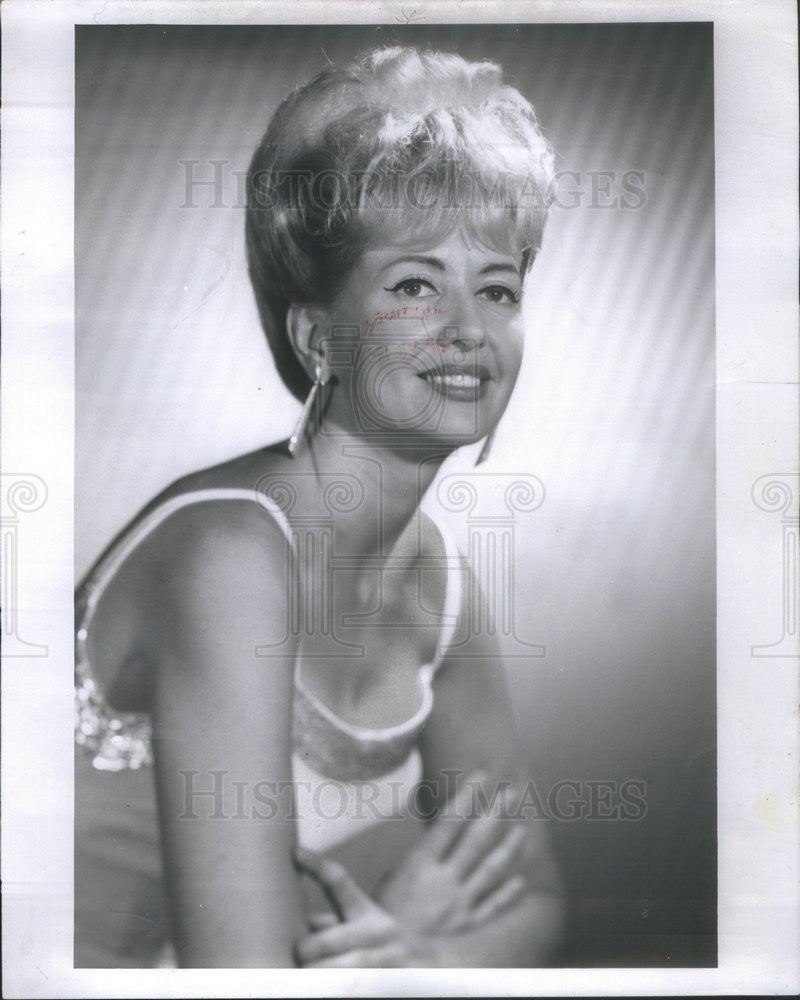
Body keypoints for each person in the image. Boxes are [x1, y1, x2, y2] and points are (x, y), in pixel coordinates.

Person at [74, 44, 563, 968]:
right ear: (316, 335)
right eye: (415, 284)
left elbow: (538, 901)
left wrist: (418, 955)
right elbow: (243, 979)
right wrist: (386, 938)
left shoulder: (442, 587)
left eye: (497, 288)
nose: (469, 327)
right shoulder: (231, 551)